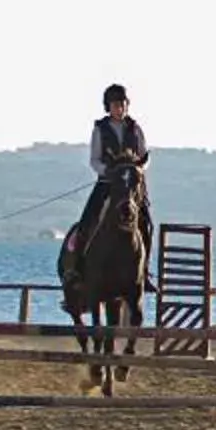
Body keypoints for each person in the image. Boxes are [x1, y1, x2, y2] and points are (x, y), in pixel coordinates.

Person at [71, 84, 155, 289]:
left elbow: (145, 157)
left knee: (147, 224)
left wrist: (139, 170)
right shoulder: (100, 129)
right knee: (87, 220)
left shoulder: (135, 128)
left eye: (123, 104)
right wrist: (108, 172)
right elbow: (95, 160)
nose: (120, 108)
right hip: (108, 184)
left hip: (131, 185)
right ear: (108, 107)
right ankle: (76, 268)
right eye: (116, 105)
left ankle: (143, 272)